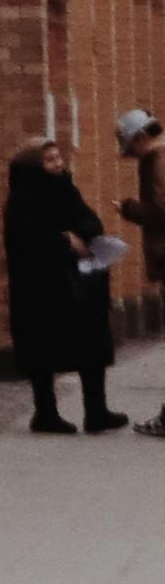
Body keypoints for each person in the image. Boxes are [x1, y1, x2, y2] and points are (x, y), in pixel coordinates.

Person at [6, 131, 116, 431]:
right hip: (41, 290)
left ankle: (97, 411)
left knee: (91, 346)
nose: (57, 164)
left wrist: (82, 234)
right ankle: (45, 414)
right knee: (42, 351)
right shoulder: (22, 199)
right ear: (34, 166)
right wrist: (65, 241)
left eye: (57, 158)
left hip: (78, 284)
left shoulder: (66, 189)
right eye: (49, 159)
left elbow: (89, 219)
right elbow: (29, 240)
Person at [127, 111, 165, 434]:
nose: (132, 155)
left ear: (140, 137)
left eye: (130, 148)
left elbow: (162, 210)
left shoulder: (157, 159)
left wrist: (129, 209)